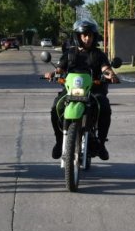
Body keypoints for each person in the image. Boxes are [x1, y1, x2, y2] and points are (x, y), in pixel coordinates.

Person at [44, 19, 119, 160]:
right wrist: (52, 74)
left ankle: (101, 144)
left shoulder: (98, 54)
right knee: (56, 108)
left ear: (94, 37)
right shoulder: (70, 53)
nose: (87, 38)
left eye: (90, 35)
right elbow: (60, 68)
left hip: (94, 90)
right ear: (78, 36)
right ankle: (59, 141)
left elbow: (105, 68)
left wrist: (111, 74)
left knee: (104, 107)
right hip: (71, 90)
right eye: (84, 35)